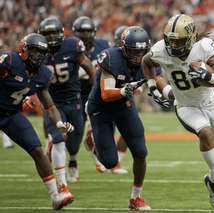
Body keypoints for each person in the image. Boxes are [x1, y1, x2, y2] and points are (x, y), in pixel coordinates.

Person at [142, 14, 214, 211]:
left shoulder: (204, 47)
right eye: (170, 40)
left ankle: (211, 180)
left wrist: (209, 76)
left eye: (179, 41)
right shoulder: (160, 50)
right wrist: (152, 86)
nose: (173, 45)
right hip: (185, 105)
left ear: (191, 38)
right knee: (205, 133)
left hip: (210, 101)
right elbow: (146, 62)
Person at [86, 26, 167, 210]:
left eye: (142, 51)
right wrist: (123, 90)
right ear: (123, 48)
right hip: (101, 108)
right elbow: (106, 94)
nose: (139, 55)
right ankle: (93, 140)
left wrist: (166, 92)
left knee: (140, 151)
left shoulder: (149, 60)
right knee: (109, 162)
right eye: (134, 51)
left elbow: (159, 78)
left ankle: (135, 198)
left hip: (124, 106)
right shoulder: (111, 58)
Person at [0, 33, 75, 210]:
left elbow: (49, 106)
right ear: (24, 50)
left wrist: (59, 124)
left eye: (42, 52)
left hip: (11, 114)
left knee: (36, 147)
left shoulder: (43, 75)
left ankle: (55, 196)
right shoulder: (10, 60)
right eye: (34, 51)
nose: (38, 56)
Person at [38, 17, 95, 184]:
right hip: (51, 102)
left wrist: (95, 94)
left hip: (73, 99)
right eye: (47, 34)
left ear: (61, 34)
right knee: (58, 139)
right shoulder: (38, 51)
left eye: (54, 33)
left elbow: (91, 71)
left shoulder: (72, 46)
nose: (51, 37)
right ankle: (62, 185)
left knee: (75, 140)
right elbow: (28, 76)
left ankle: (73, 161)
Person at [73, 17, 128, 174]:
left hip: (98, 91)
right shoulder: (71, 47)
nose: (85, 34)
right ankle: (73, 160)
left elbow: (113, 65)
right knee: (78, 128)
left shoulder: (104, 45)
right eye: (82, 31)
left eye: (88, 31)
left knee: (109, 125)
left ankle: (101, 158)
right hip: (78, 92)